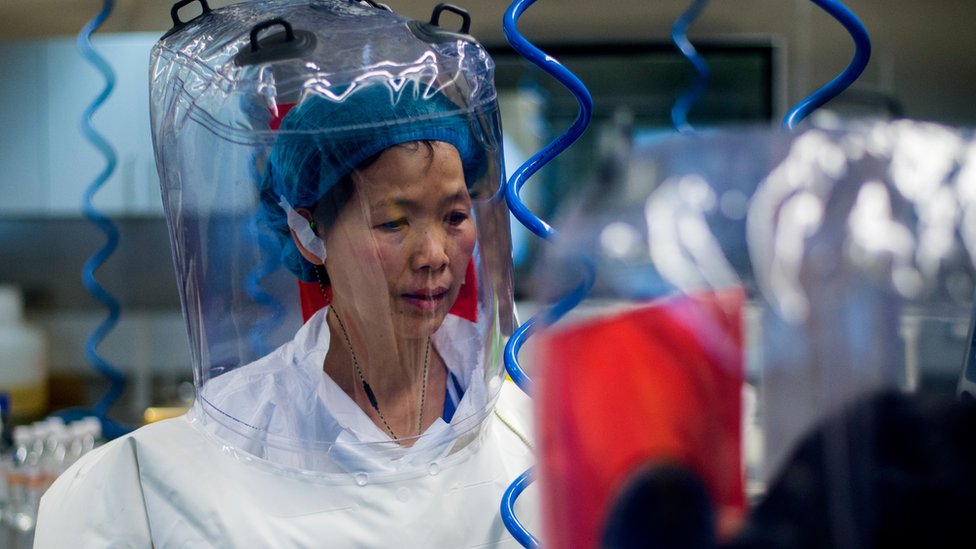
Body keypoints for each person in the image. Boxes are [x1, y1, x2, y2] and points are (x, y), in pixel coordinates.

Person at [34, 1, 537, 546]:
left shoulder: (524, 420)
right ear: (308, 234)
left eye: (455, 217)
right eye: (394, 222)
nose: (435, 254)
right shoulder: (231, 437)